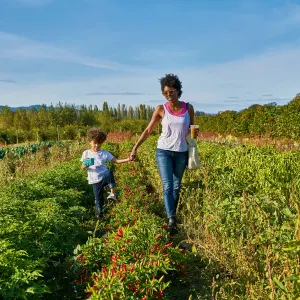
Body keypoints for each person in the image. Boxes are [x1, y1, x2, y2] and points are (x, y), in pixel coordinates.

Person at [129, 73, 199, 231]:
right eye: (165, 92)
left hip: (181, 152)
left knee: (176, 186)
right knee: (167, 186)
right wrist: (135, 147)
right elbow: (148, 130)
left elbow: (192, 129)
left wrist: (194, 134)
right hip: (164, 152)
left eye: (171, 92)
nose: (168, 95)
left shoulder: (188, 108)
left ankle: (171, 215)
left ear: (178, 90)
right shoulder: (161, 109)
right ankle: (171, 219)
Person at [81, 128, 130, 219]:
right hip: (95, 180)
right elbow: (83, 167)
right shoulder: (86, 153)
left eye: (99, 143)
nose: (97, 145)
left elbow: (116, 161)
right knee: (99, 199)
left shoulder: (104, 153)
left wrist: (128, 159)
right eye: (94, 143)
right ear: (90, 142)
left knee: (109, 172)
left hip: (104, 176)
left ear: (102, 142)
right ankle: (100, 216)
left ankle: (112, 194)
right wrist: (86, 165)